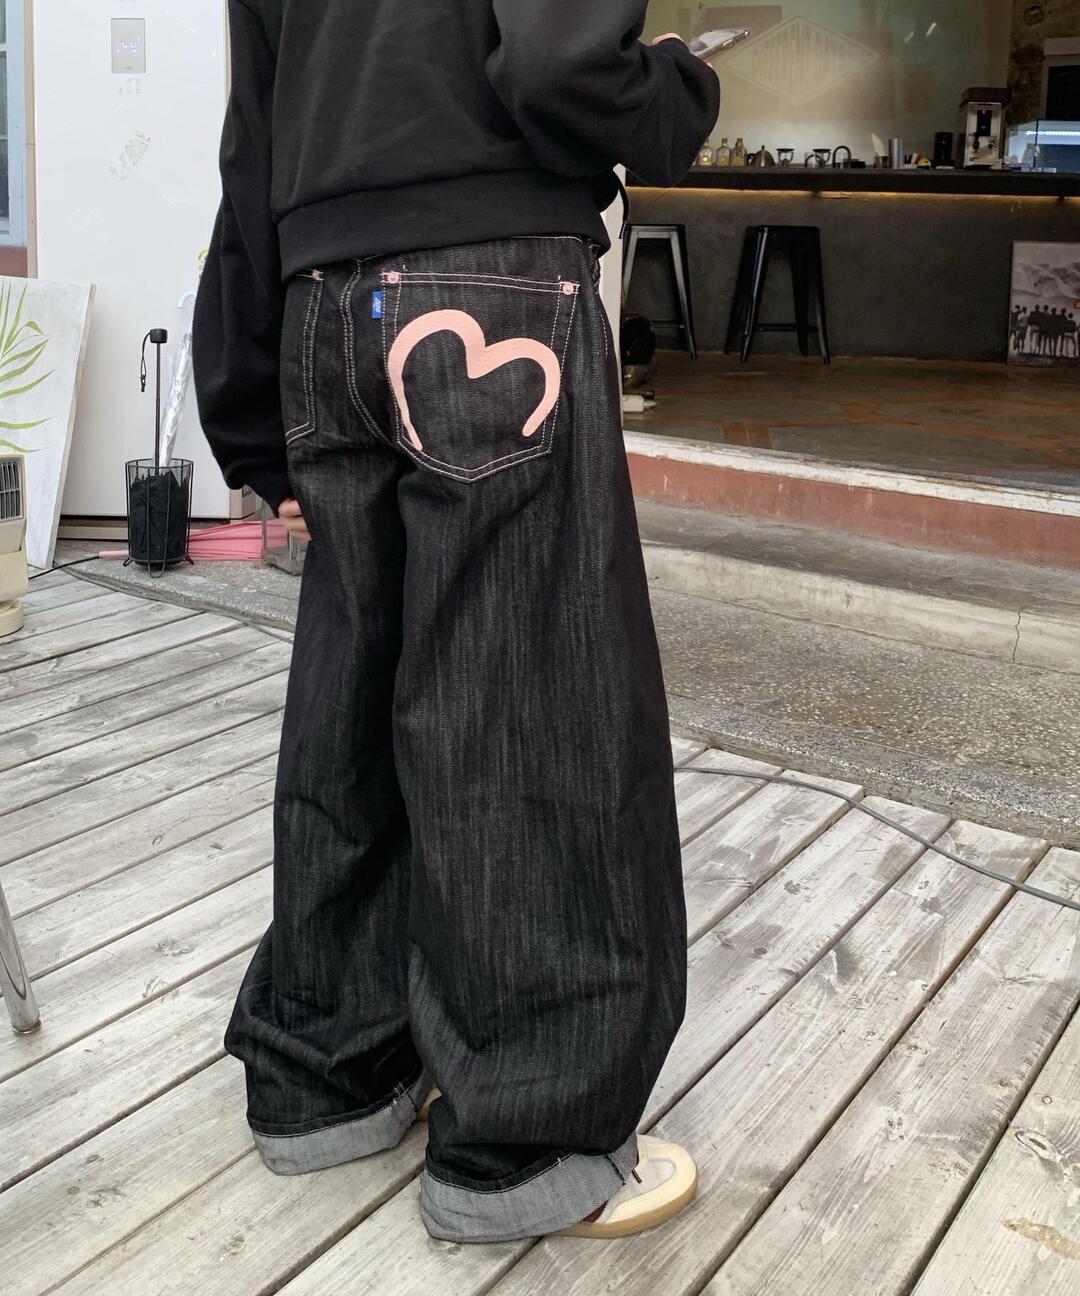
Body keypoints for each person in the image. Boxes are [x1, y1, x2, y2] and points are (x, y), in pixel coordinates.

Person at [192, 0, 719, 1247]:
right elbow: (560, 61)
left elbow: (254, 133)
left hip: (323, 302)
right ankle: (524, 1142)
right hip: (492, 275)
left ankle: (327, 1073)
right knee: (527, 697)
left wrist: (249, 400)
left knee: (353, 690)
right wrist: (678, 95)